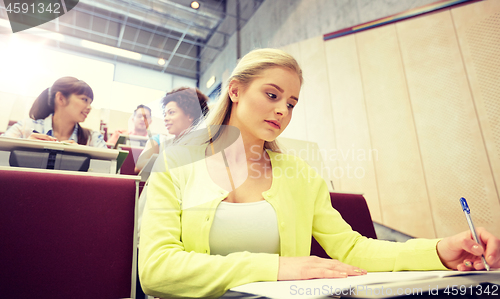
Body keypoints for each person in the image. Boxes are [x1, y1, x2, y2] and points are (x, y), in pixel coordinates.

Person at [138, 48, 500, 298]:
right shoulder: (176, 163)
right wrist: (277, 268)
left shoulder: (300, 175)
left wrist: (440, 250)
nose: (282, 110)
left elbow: (352, 248)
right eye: (272, 94)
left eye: (291, 103)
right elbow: (157, 270)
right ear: (235, 90)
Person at [2, 76, 106, 148]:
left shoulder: (92, 137)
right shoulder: (24, 128)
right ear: (61, 98)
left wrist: (81, 153)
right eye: (84, 99)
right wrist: (23, 147)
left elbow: (110, 173)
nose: (89, 107)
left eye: (90, 102)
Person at [134, 87, 209, 173]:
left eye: (171, 112)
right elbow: (140, 163)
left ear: (190, 116)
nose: (165, 118)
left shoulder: (204, 145)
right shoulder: (159, 140)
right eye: (165, 114)